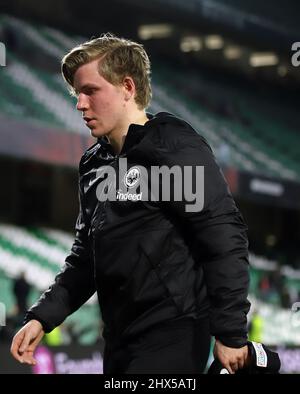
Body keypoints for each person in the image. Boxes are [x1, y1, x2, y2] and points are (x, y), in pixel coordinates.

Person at [11, 33, 251, 374]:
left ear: (127, 87)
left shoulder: (173, 147)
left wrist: (230, 330)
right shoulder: (93, 165)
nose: (80, 104)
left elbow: (223, 235)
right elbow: (85, 259)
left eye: (90, 91)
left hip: (173, 333)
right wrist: (42, 318)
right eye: (76, 93)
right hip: (119, 339)